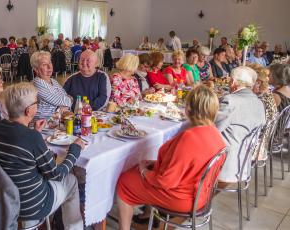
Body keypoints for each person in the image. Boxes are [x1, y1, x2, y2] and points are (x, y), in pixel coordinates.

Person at [116, 85, 226, 230]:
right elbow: (190, 164)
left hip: (182, 199)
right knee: (138, 173)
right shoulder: (215, 133)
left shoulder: (189, 137)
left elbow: (165, 181)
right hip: (202, 194)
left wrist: (145, 171)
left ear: (189, 109)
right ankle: (147, 215)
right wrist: (156, 164)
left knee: (125, 181)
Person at [0, 82, 84, 229]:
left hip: (3, 199)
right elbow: (56, 175)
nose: (38, 104)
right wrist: (75, 151)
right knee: (71, 180)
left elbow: (16, 152)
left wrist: (35, 132)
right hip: (31, 204)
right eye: (36, 102)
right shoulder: (31, 138)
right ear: (28, 110)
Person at [216, 66, 266, 185]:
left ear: (233, 82)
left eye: (229, 80)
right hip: (244, 163)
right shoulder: (259, 102)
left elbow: (213, 130)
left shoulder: (230, 100)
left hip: (225, 164)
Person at [31, 51, 72, 121]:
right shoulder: (37, 85)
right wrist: (64, 106)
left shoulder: (53, 81)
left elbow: (64, 97)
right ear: (36, 69)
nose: (49, 67)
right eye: (44, 64)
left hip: (57, 122)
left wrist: (62, 106)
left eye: (50, 63)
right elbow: (66, 101)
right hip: (43, 126)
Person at [249, 63, 278, 160]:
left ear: (258, 82)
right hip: (264, 143)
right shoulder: (268, 94)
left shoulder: (260, 100)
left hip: (255, 148)